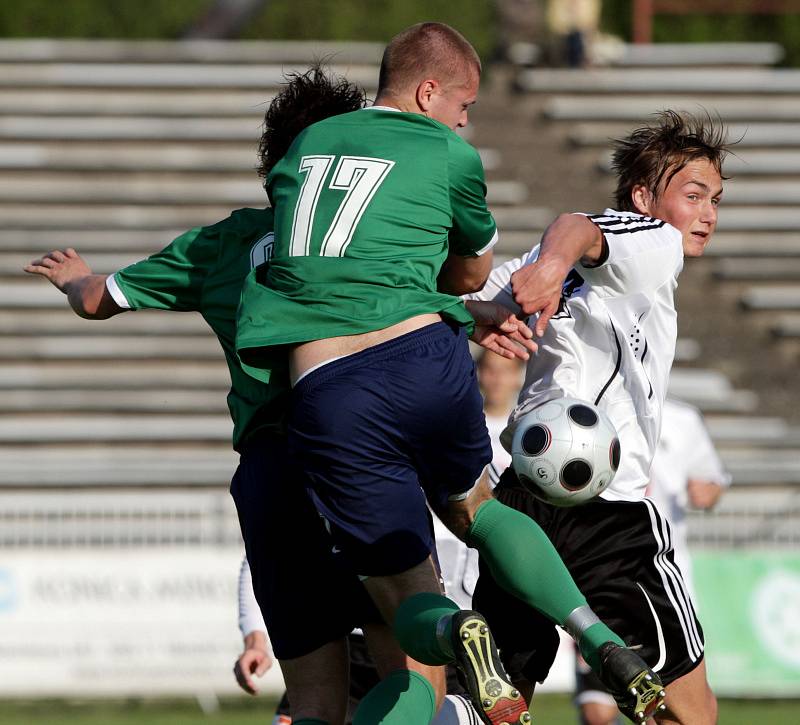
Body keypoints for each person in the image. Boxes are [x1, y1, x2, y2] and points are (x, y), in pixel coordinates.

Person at [25, 65, 526, 725]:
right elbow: (437, 296)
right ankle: (458, 633)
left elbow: (98, 299)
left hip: (271, 471)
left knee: (312, 703)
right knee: (413, 678)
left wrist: (77, 279)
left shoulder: (222, 242)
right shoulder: (374, 242)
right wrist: (474, 313)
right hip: (355, 449)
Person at [236, 21, 663, 725]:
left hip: (330, 390)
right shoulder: (449, 152)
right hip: (426, 358)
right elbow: (468, 272)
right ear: (429, 91)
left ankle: (454, 631)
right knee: (478, 507)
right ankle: (599, 636)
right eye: (463, 105)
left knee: (408, 610)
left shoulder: (308, 147)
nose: (465, 119)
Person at [468, 110, 729, 725]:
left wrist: (481, 311)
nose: (708, 213)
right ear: (643, 198)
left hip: (523, 506)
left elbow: (475, 302)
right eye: (693, 195)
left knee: (496, 706)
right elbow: (575, 227)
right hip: (610, 517)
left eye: (716, 199)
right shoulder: (652, 241)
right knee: (688, 712)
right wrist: (554, 266)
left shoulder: (549, 259)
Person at [573, 397, 731, 725]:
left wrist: (709, 491)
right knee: (597, 711)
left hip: (666, 580)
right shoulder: (592, 409)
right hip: (601, 574)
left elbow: (712, 477)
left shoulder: (682, 418)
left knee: (678, 706)